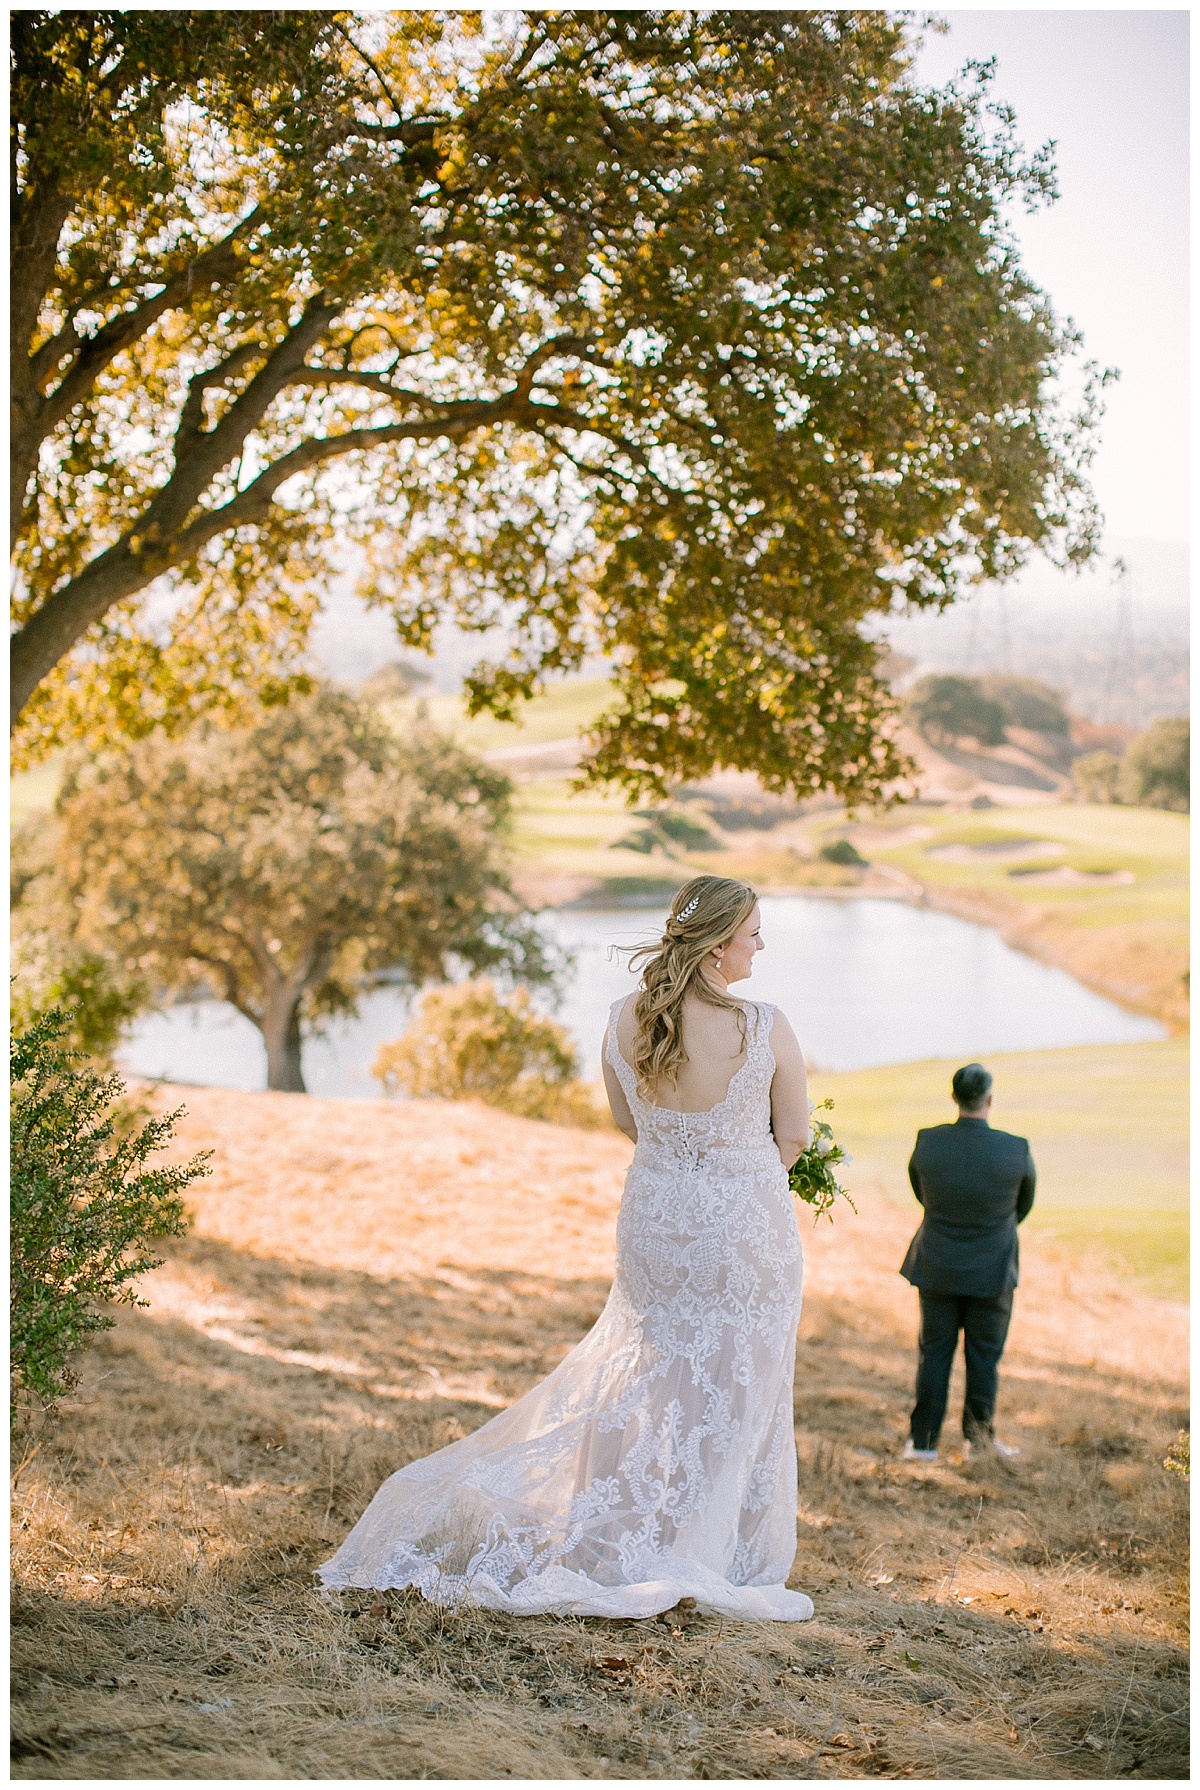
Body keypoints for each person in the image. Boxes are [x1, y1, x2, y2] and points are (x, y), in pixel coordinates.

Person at [318, 875, 816, 1620]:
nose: (761, 945)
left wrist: (684, 1167)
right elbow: (796, 1137)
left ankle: (613, 1533)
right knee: (735, 1382)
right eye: (752, 933)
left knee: (644, 1368)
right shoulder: (767, 1025)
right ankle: (703, 1546)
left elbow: (629, 1122)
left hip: (655, 1221)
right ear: (717, 946)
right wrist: (740, 1178)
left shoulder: (623, 1020)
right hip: (745, 1229)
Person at [899, 1063, 1036, 1463]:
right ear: (989, 1099)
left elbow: (922, 1193)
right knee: (984, 1358)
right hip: (992, 1270)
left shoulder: (928, 1142)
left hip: (938, 1263)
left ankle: (923, 1443)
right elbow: (1022, 1206)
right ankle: (978, 1443)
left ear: (954, 1098)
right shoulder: (1015, 1148)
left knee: (934, 1353)